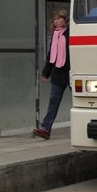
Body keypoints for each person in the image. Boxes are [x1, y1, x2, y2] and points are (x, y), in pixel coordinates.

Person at [33, 10, 70, 140]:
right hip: (58, 73)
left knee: (80, 100)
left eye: (59, 19)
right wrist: (46, 72)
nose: (56, 21)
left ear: (65, 20)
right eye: (54, 19)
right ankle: (45, 129)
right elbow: (51, 56)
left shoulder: (70, 33)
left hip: (71, 72)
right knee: (53, 101)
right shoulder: (55, 35)